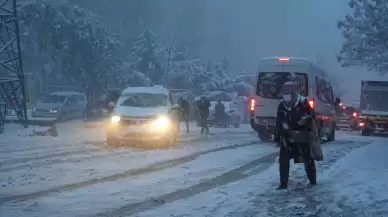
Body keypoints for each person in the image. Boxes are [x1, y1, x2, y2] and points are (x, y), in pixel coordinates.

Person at [274, 81, 320, 190]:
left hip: (301, 136)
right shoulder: (282, 105)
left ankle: (312, 180)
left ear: (294, 92)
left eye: (288, 93)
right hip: (287, 137)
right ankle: (283, 183)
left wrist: (303, 120)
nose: (286, 95)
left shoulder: (303, 102)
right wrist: (277, 136)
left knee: (307, 159)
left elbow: (312, 115)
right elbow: (278, 121)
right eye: (284, 93)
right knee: (283, 160)